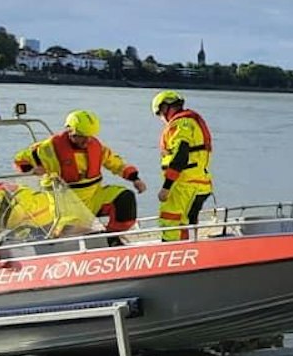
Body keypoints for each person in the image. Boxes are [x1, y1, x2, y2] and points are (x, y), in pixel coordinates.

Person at [12, 110, 146, 242]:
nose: (87, 140)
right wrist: (33, 169)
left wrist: (135, 178)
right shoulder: (47, 148)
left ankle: (110, 239)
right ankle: (53, 236)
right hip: (66, 204)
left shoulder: (97, 147)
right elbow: (20, 160)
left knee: (125, 199)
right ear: (70, 131)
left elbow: (116, 163)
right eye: (82, 136)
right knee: (75, 230)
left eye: (90, 136)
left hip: (93, 196)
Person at [152, 90, 214, 241]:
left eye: (160, 114)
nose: (161, 118)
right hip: (201, 183)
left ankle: (172, 253)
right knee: (188, 220)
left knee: (170, 220)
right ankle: (193, 248)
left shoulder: (179, 125)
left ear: (165, 108)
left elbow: (181, 154)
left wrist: (167, 186)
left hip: (184, 185)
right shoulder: (191, 122)